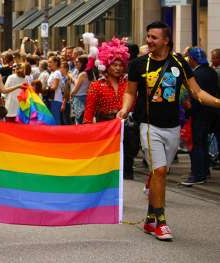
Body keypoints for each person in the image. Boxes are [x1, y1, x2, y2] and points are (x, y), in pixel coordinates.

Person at [117, 21, 220, 241]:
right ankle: (161, 222)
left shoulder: (179, 63)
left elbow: (198, 93)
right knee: (160, 171)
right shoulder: (137, 64)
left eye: (154, 37)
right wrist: (125, 109)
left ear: (166, 40)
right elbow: (130, 93)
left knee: (158, 175)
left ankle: (149, 217)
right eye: (148, 37)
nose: (149, 41)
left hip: (173, 127)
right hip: (148, 126)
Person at [180, 47, 218, 185]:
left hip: (199, 113)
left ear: (192, 59)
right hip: (211, 113)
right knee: (204, 143)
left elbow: (196, 96)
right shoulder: (211, 72)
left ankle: (198, 174)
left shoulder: (195, 75)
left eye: (189, 58)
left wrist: (188, 109)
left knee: (197, 144)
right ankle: (204, 170)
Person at [83, 39, 129, 124]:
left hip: (125, 127)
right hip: (104, 127)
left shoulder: (128, 84)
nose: (118, 68)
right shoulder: (96, 85)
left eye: (121, 65)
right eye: (114, 65)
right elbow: (89, 110)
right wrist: (87, 128)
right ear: (107, 66)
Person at [70, 55, 90, 124]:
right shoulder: (85, 73)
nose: (75, 63)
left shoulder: (83, 74)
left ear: (83, 63)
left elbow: (75, 89)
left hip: (79, 99)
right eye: (75, 62)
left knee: (79, 121)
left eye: (77, 62)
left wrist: (72, 77)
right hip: (82, 98)